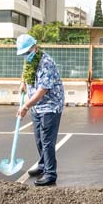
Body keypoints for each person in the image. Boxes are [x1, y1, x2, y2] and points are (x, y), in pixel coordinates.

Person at [16, 34, 64, 186]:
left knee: (47, 140)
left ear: (35, 48)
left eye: (27, 52)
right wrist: (23, 83)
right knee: (39, 138)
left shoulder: (45, 63)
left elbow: (43, 89)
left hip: (50, 105)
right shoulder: (30, 61)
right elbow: (26, 73)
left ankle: (50, 173)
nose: (25, 55)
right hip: (36, 106)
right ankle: (43, 165)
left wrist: (25, 106)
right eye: (23, 53)